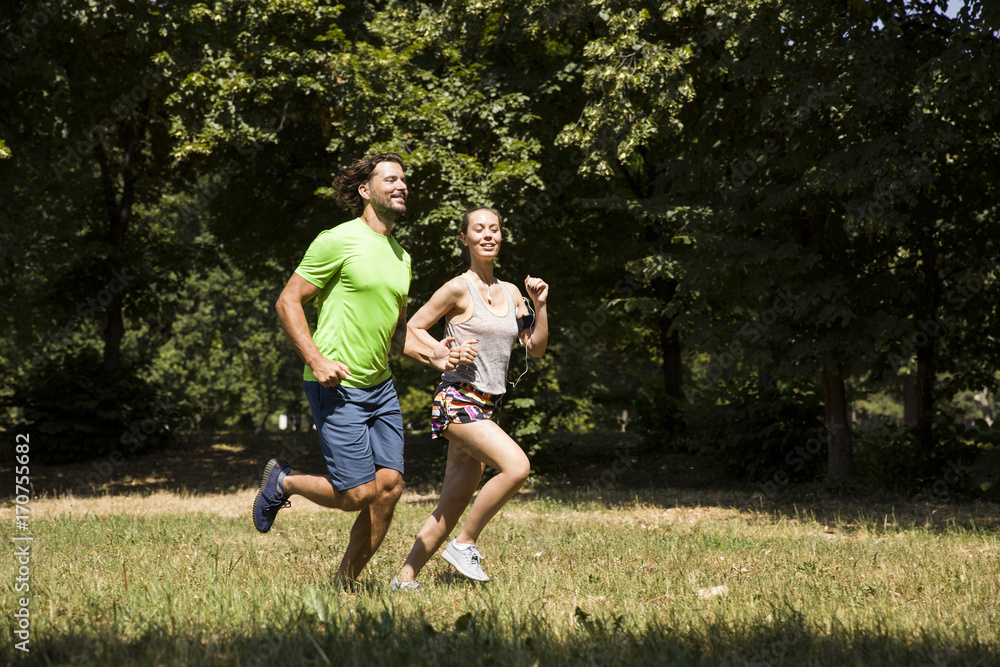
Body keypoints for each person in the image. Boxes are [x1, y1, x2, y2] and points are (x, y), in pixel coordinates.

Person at [252, 152, 460, 588]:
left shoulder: (401, 257)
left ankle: (345, 583)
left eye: (403, 180)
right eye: (391, 179)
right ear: (365, 190)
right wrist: (316, 360)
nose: (401, 185)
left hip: (380, 387)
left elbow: (397, 332)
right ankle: (285, 481)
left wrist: (435, 356)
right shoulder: (337, 239)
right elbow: (288, 301)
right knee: (357, 494)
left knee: (390, 487)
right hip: (337, 384)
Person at [390, 206, 549, 591]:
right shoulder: (457, 288)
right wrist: (443, 352)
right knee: (517, 467)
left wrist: (541, 305)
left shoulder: (512, 292)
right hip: (458, 399)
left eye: (494, 228)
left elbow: (536, 347)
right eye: (479, 229)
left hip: (488, 407)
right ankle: (465, 544)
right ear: (465, 238)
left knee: (453, 502)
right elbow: (412, 328)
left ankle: (403, 580)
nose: (488, 235)